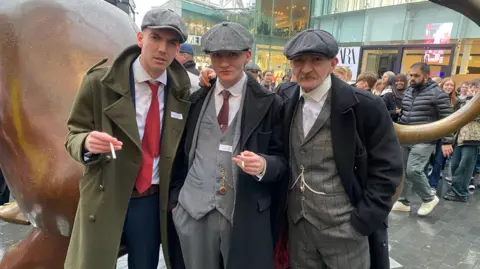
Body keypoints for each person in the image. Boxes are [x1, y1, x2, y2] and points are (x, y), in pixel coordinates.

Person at [64, 8, 191, 269]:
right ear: (140, 38)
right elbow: (73, 135)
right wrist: (87, 143)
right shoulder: (99, 83)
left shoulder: (185, 91)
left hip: (151, 202)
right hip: (105, 197)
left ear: (178, 49)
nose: (162, 49)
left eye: (171, 43)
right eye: (155, 38)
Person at [277, 29, 403, 269]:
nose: (306, 68)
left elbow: (388, 170)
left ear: (333, 63)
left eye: (316, 60)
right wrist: (211, 81)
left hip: (346, 229)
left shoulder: (366, 105)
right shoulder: (285, 96)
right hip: (297, 226)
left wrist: (362, 221)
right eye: (299, 61)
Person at [169, 22, 286, 269]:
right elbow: (178, 154)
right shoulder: (196, 98)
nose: (224, 63)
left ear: (247, 56)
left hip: (243, 215)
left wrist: (265, 165)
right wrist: (175, 201)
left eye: (232, 55)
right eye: (217, 55)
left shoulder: (271, 103)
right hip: (193, 212)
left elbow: (284, 160)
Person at [393, 63, 453, 216]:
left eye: (416, 76)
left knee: (414, 170)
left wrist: (447, 142)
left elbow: (448, 118)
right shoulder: (409, 91)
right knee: (402, 170)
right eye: (410, 75)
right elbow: (404, 113)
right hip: (406, 136)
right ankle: (403, 200)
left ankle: (429, 198)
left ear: (426, 76)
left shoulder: (438, 94)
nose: (412, 78)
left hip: (425, 138)